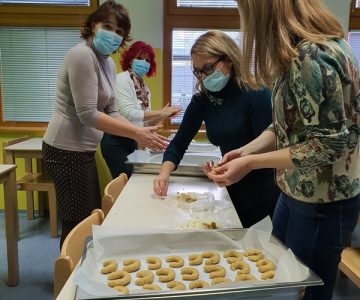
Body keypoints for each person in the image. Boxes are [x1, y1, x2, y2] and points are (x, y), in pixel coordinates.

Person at [205, 1, 360, 299]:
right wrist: (246, 153)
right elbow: (286, 127)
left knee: (303, 291)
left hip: (321, 202)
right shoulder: (294, 53)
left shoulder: (312, 57)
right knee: (278, 282)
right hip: (293, 193)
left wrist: (251, 164)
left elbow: (326, 145)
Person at [42, 0, 167, 247]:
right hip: (64, 150)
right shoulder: (81, 55)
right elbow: (88, 114)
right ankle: (68, 274)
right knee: (77, 221)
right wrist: (135, 132)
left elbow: (111, 110)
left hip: (83, 151)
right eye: (107, 26)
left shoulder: (107, 63)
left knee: (90, 215)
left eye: (119, 32)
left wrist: (138, 132)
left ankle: (78, 267)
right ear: (92, 25)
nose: (113, 35)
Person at [153, 30, 280, 228]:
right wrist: (164, 173)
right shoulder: (203, 100)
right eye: (198, 71)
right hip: (229, 186)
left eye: (208, 68)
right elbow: (179, 143)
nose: (203, 77)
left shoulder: (256, 94)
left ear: (228, 60)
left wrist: (235, 165)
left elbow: (271, 148)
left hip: (261, 189)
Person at [101, 41, 181, 178]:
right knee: (125, 183)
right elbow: (128, 113)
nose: (143, 63)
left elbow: (146, 123)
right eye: (139, 58)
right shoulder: (122, 79)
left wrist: (163, 115)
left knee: (134, 179)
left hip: (132, 140)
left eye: (147, 60)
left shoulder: (144, 89)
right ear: (130, 59)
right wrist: (161, 112)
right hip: (115, 142)